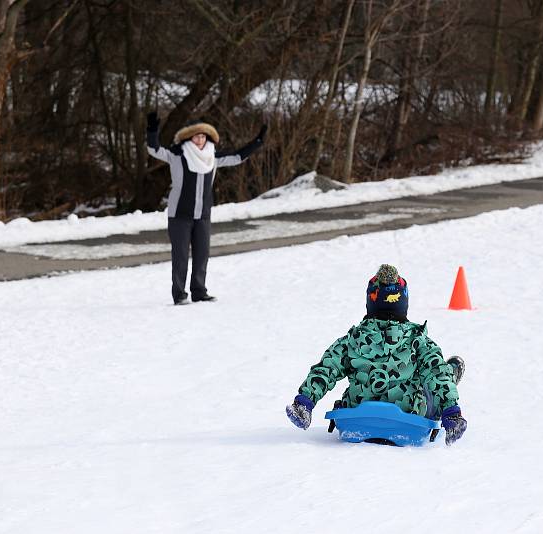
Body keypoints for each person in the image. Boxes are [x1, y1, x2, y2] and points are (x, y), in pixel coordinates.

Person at [286, 264, 467, 445]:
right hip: (407, 421)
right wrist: (452, 411)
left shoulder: (353, 340)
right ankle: (451, 375)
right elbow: (436, 372)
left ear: (370, 302)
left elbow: (327, 368)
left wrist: (305, 401)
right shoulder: (417, 340)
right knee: (433, 378)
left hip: (356, 419)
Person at [146, 112, 267, 305]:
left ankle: (199, 291)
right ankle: (179, 294)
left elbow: (237, 157)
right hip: (180, 215)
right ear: (189, 138)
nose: (200, 140)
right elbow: (154, 149)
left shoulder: (213, 157)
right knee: (181, 257)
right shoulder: (177, 155)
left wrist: (258, 141)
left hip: (202, 214)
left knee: (202, 255)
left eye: (203, 136)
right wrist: (152, 130)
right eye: (196, 136)